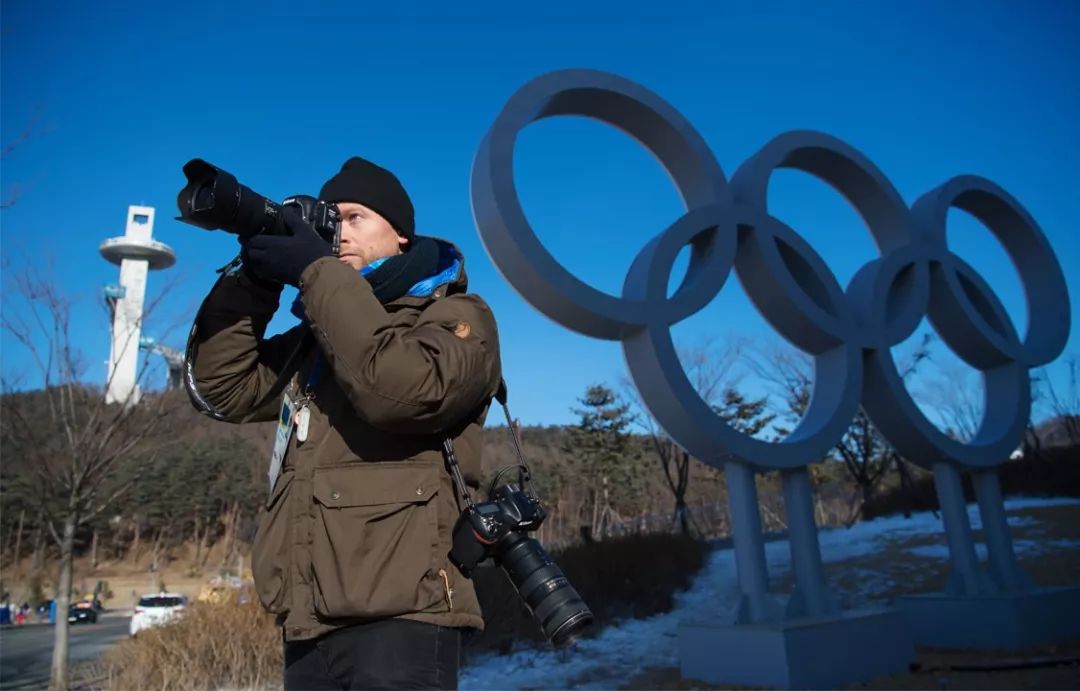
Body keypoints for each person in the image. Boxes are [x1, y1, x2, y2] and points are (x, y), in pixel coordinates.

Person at [191, 156, 502, 689]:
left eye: (356, 217)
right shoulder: (321, 340)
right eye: (331, 219)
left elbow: (402, 392)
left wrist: (316, 273)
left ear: (401, 235)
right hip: (308, 620)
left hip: (405, 617)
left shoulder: (455, 315)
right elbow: (224, 388)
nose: (340, 232)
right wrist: (255, 282)